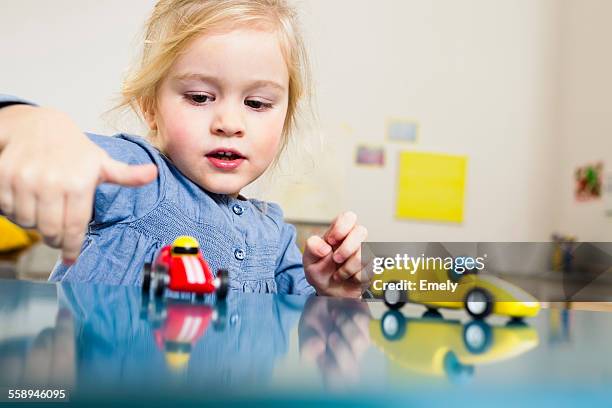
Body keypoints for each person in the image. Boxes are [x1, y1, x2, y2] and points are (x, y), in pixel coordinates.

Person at [0, 0, 368, 297]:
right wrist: (19, 121)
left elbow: (302, 333)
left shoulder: (276, 237)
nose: (230, 123)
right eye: (199, 97)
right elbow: (51, 157)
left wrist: (333, 293)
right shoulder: (136, 176)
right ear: (150, 107)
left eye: (256, 104)